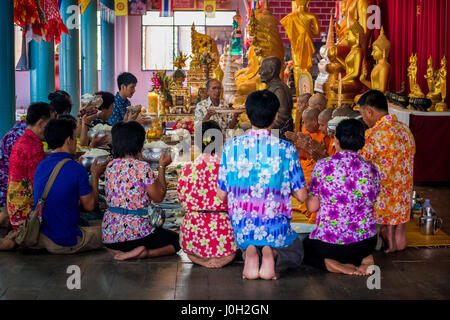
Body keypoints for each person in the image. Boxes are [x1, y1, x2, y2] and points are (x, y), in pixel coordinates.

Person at [217, 90, 308, 280]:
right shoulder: (287, 149)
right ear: (276, 116)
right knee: (297, 251)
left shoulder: (230, 147)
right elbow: (302, 196)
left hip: (242, 227)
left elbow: (221, 194)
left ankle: (250, 250)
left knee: (250, 237)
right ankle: (271, 253)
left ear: (247, 115)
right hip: (276, 228)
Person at [303, 119, 381, 275]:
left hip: (330, 246)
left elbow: (312, 207)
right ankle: (365, 258)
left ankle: (333, 265)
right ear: (362, 142)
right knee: (364, 241)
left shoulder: (323, 166)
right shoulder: (372, 169)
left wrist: (303, 195)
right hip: (366, 242)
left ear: (336, 141)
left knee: (305, 248)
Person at [102, 121, 180, 260]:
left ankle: (121, 251)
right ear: (138, 143)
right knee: (178, 241)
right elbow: (159, 196)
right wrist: (162, 167)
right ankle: (144, 253)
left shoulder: (110, 166)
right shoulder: (142, 167)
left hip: (110, 234)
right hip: (136, 233)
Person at [33, 118, 106, 254]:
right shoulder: (76, 168)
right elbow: (90, 206)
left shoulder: (41, 165)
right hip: (65, 241)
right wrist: (95, 176)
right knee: (110, 232)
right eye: (75, 138)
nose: (76, 142)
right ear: (68, 140)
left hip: (42, 234)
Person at [358, 90, 415, 253]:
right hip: (402, 197)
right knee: (397, 217)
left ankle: (383, 232)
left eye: (363, 115)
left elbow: (360, 161)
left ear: (370, 111)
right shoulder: (405, 130)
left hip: (382, 199)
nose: (364, 119)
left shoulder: (374, 134)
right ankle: (395, 232)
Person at [178, 121, 237, 268]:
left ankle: (201, 259)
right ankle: (223, 257)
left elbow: (182, 202)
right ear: (222, 140)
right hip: (226, 239)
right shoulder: (230, 168)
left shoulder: (186, 169)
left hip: (194, 240)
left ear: (197, 144)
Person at [0, 103, 54, 251]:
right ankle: (19, 237)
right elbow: (40, 188)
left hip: (14, 209)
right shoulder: (33, 148)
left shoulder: (22, 141)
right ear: (41, 123)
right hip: (24, 216)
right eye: (50, 123)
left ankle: (15, 235)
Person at [285, 108, 326, 223]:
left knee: (308, 180)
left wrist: (312, 151)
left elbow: (323, 159)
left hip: (316, 167)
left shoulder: (326, 136)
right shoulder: (306, 131)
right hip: (309, 164)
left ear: (315, 121)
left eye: (305, 121)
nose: (303, 124)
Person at [0, 120, 28, 228]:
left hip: (8, 187)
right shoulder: (21, 138)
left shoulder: (18, 131)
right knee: (8, 220)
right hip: (6, 190)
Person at [258, 56, 294, 138]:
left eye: (262, 69)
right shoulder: (274, 87)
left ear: (272, 71)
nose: (259, 72)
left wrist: (265, 129)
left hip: (277, 134)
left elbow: (282, 117)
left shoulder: (279, 89)